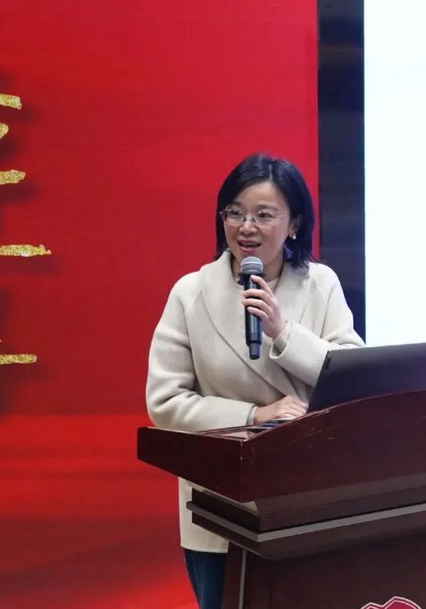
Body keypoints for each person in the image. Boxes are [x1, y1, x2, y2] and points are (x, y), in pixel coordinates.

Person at [145, 153, 363, 609]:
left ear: (294, 223)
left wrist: (284, 333)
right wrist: (254, 415)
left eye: (264, 215)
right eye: (235, 212)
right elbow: (166, 401)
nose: (246, 227)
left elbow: (353, 373)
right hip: (223, 502)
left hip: (309, 495)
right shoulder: (190, 293)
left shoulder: (320, 284)